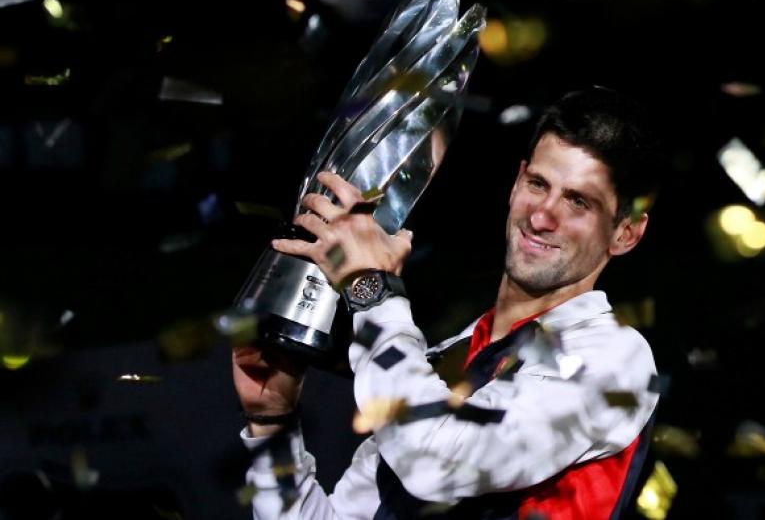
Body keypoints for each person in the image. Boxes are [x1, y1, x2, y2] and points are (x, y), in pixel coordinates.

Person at [233, 87, 663, 519]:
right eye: (538, 184)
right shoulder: (445, 359)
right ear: (516, 183)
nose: (541, 217)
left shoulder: (615, 360)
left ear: (625, 233)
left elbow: (435, 461)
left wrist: (371, 289)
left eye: (578, 202)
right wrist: (273, 423)